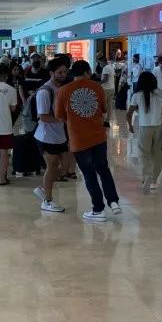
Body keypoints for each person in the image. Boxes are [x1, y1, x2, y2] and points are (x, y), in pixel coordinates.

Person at [56, 60, 122, 222]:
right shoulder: (97, 87)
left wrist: (73, 119)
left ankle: (98, 210)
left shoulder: (64, 90)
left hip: (79, 139)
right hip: (98, 136)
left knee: (89, 174)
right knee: (103, 170)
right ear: (87, 71)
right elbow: (104, 109)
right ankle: (113, 202)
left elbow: (59, 115)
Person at [33, 58, 74, 213]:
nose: (64, 75)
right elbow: (43, 116)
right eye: (60, 72)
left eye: (65, 72)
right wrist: (63, 118)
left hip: (60, 135)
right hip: (46, 136)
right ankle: (47, 200)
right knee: (52, 167)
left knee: (65, 167)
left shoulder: (63, 89)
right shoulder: (45, 91)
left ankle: (44, 187)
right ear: (51, 73)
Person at [127, 71, 162, 193]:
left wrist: (130, 125)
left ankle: (146, 176)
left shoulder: (137, 95)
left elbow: (129, 113)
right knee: (157, 154)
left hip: (144, 127)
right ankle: (154, 179)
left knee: (144, 153)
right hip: (159, 126)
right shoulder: (160, 93)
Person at [100, 56, 116, 128]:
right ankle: (107, 121)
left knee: (102, 104)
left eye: (100, 62)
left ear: (103, 62)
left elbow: (105, 79)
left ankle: (101, 120)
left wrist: (98, 83)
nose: (100, 64)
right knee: (109, 106)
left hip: (105, 88)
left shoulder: (105, 68)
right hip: (112, 88)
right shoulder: (111, 67)